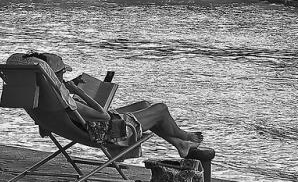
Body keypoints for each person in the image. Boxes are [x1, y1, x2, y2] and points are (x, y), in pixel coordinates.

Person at [18, 51, 204, 158]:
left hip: (84, 124)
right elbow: (104, 116)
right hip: (106, 131)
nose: (63, 77)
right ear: (55, 75)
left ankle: (179, 144)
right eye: (61, 74)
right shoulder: (67, 99)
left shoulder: (37, 97)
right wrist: (79, 92)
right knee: (160, 109)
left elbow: (45, 130)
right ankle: (183, 135)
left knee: (144, 104)